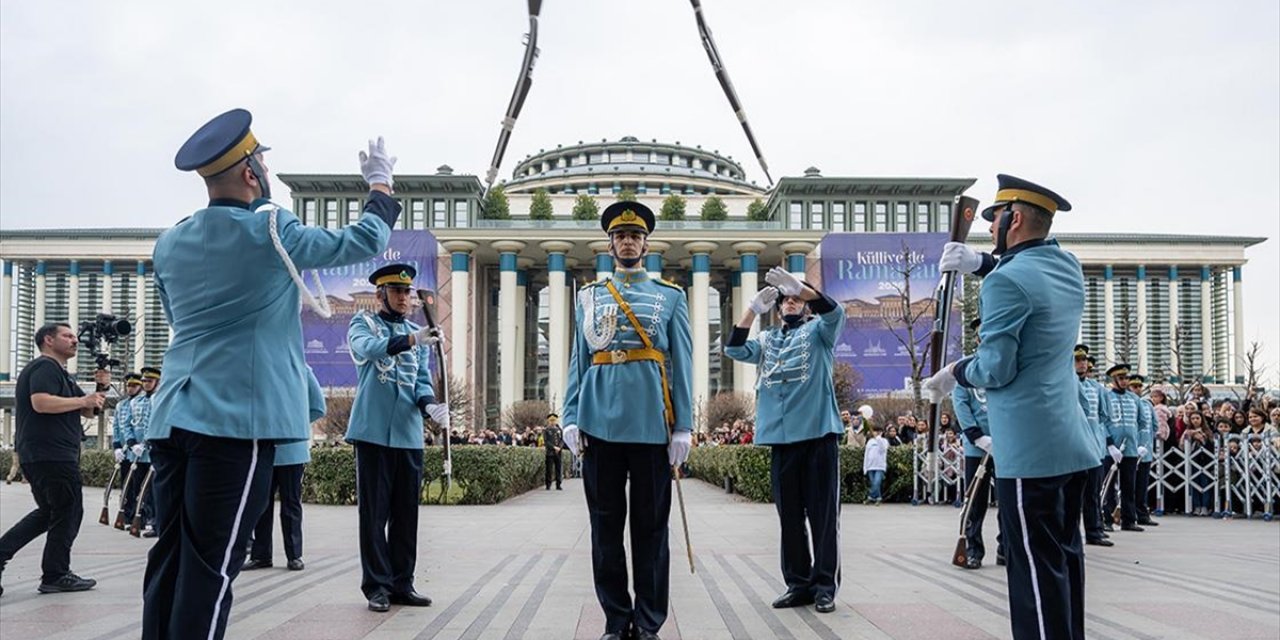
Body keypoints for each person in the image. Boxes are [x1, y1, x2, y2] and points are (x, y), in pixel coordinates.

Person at [143, 109, 400, 640]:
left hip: (172, 418)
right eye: (260, 160)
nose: (263, 168)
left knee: (169, 558)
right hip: (235, 421)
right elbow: (362, 241)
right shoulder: (270, 227)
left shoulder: (170, 242)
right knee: (212, 567)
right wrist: (380, 185)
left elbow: (180, 323)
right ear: (249, 173)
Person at [922, 174, 1097, 640]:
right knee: (1064, 563)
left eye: (994, 218)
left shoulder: (1005, 283)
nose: (990, 227)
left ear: (1013, 219)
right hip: (1072, 443)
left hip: (1028, 448)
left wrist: (955, 371)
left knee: (1033, 574)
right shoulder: (1069, 267)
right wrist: (981, 263)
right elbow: (1030, 278)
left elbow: (996, 368)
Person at [562, 201, 693, 640]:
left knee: (652, 530)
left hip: (652, 424)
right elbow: (578, 361)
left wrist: (684, 425)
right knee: (604, 530)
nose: (628, 242)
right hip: (599, 424)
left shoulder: (670, 297)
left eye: (635, 236)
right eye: (620, 236)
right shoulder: (589, 296)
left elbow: (683, 365)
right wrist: (571, 416)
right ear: (610, 244)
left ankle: (650, 621)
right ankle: (617, 621)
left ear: (646, 244)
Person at [725, 266, 845, 614]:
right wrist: (751, 310)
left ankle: (824, 586)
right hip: (780, 440)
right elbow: (733, 348)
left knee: (823, 519)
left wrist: (805, 290)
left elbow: (835, 312)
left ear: (805, 306)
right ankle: (798, 584)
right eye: (785, 300)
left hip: (819, 435)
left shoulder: (820, 332)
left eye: (796, 299)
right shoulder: (767, 341)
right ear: (778, 309)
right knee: (789, 518)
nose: (790, 303)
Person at [346, 263, 449, 612]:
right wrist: (412, 339)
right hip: (372, 431)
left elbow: (420, 381)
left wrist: (432, 407)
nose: (404, 297)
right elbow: (371, 349)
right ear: (381, 294)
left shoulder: (418, 335)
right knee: (374, 515)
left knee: (406, 514)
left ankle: (402, 582)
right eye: (397, 291)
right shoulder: (364, 323)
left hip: (407, 433)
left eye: (407, 292)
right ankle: (376, 585)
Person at [0, 323, 108, 596]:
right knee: (69, 510)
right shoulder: (44, 367)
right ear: (48, 340)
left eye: (74, 336)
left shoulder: (62, 374)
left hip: (49, 453)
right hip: (50, 453)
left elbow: (87, 413)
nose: (74, 340)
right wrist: (83, 399)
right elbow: (42, 403)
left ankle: (8, 556)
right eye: (67, 336)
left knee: (51, 512)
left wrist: (99, 389)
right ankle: (56, 574)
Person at [245, 367, 324, 572]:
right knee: (260, 504)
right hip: (263, 448)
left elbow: (318, 406)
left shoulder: (302, 369)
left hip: (292, 451)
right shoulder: (260, 368)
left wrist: (294, 424)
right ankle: (261, 555)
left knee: (291, 504)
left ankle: (294, 555)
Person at [952, 317, 1007, 567]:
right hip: (977, 446)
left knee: (1007, 501)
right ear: (976, 338)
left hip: (1006, 444)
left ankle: (1005, 548)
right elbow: (961, 403)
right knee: (976, 501)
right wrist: (977, 436)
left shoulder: (1006, 364)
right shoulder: (966, 366)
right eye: (980, 334)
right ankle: (974, 549)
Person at [1101, 364, 1146, 533]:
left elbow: (1142, 422)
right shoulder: (1106, 396)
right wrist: (1110, 444)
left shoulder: (1134, 399)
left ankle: (1129, 519)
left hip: (1130, 449)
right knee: (1107, 486)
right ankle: (1107, 519)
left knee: (1128, 485)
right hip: (1111, 449)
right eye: (1121, 378)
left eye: (1126, 378)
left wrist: (1141, 443)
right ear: (1114, 380)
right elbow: (1102, 421)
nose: (1125, 381)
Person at [130, 366, 160, 536]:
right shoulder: (136, 402)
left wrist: (148, 442)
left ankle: (156, 522)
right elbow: (131, 424)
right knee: (141, 489)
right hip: (138, 453)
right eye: (144, 381)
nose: (146, 384)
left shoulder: (159, 399)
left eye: (149, 381)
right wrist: (131, 442)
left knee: (156, 490)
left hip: (154, 450)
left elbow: (155, 423)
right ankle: (142, 519)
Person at [111, 372, 143, 528]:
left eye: (134, 385)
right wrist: (116, 447)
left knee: (138, 485)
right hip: (124, 451)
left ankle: (139, 516)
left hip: (138, 451)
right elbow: (117, 427)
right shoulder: (120, 405)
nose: (130, 388)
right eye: (129, 385)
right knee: (126, 484)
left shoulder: (141, 402)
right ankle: (126, 514)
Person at [1128, 374, 1160, 528]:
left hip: (1144, 452)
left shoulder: (1147, 405)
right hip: (1128, 451)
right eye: (1134, 386)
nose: (1137, 389)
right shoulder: (1127, 403)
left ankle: (1142, 514)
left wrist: (1147, 444)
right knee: (1127, 485)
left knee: (1141, 485)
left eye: (1139, 386)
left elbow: (1154, 426)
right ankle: (1125, 515)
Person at [863, 424, 888, 504]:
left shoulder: (884, 441)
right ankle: (878, 497)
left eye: (878, 432)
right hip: (870, 466)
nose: (876, 433)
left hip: (880, 466)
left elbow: (883, 449)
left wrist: (878, 438)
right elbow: (866, 454)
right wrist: (865, 467)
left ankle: (870, 497)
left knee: (876, 482)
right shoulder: (870, 442)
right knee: (873, 483)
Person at [544, 412, 564, 490]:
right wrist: (554, 447)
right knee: (549, 469)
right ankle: (548, 484)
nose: (553, 422)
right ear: (549, 421)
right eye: (551, 421)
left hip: (558, 452)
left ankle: (558, 484)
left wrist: (559, 447)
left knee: (558, 468)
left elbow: (562, 440)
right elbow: (546, 441)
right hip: (550, 452)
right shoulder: (546, 430)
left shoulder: (559, 430)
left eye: (554, 420)